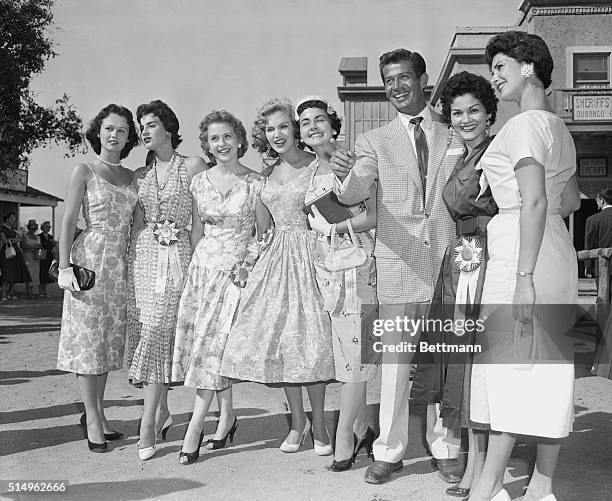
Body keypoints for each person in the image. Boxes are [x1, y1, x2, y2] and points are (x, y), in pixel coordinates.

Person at [330, 49, 467, 484]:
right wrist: (343, 171)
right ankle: (388, 451)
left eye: (404, 77)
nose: (396, 86)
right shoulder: (373, 140)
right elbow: (353, 194)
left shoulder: (454, 134)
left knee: (443, 361)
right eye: (389, 79)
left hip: (448, 263)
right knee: (394, 367)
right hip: (397, 267)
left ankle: (446, 445)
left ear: (423, 79)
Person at [467, 31, 580, 501]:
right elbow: (567, 200)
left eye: (500, 67)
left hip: (523, 251)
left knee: (513, 368)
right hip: (553, 245)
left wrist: (523, 277)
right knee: (547, 368)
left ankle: (489, 485)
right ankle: (541, 486)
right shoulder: (559, 127)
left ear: (527, 66)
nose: (493, 78)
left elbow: (532, 200)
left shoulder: (523, 125)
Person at [220, 98, 335, 456]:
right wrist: (247, 265)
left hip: (311, 257)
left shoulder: (318, 167)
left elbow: (331, 215)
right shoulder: (265, 176)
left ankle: (319, 423)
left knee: (311, 343)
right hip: (275, 262)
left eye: (284, 126)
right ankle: (298, 423)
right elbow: (263, 229)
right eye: (270, 129)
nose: (277, 134)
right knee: (285, 343)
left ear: (296, 129)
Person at [410, 71, 499, 498]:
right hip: (462, 256)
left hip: (481, 254)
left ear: (489, 114)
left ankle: (481, 466)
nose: (465, 119)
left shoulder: (494, 154)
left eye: (474, 111)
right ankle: (471, 460)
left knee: (475, 363)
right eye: (457, 112)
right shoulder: (463, 155)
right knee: (460, 363)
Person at [171, 110, 260, 465]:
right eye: (213, 139)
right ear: (206, 145)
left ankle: (194, 427)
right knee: (210, 345)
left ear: (240, 139)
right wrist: (195, 269)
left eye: (226, 136)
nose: (220, 144)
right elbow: (195, 231)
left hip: (236, 273)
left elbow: (261, 232)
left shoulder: (256, 182)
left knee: (215, 344)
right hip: (203, 271)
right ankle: (227, 418)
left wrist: (246, 266)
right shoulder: (198, 181)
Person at [296, 96, 379, 471]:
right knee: (345, 352)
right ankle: (362, 425)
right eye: (305, 123)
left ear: (333, 124)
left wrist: (336, 226)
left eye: (318, 120)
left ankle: (345, 435)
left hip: (358, 267)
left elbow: (373, 216)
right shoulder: (310, 173)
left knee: (356, 354)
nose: (312, 127)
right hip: (325, 269)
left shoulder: (354, 160)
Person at [126, 100, 206, 461]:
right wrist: (131, 265)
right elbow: (139, 223)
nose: (144, 130)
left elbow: (200, 221)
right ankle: (159, 412)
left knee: (161, 330)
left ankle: (147, 423)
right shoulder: (139, 176)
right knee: (150, 331)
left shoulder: (191, 166)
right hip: (144, 260)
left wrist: (197, 264)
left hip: (178, 260)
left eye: (152, 124)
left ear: (169, 128)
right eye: (142, 125)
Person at [56, 104, 139, 452]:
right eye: (108, 128)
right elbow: (68, 220)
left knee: (105, 344)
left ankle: (101, 414)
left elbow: (137, 225)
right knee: (88, 343)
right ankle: (91, 418)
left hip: (120, 266)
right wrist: (63, 267)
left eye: (121, 130)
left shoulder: (133, 176)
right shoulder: (84, 170)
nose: (114, 135)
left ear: (128, 137)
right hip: (90, 262)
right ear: (98, 131)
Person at [0, 212, 30, 300]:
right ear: (7, 219)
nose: (14, 220)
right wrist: (14, 239)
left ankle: (11, 292)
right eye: (12, 218)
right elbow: (5, 241)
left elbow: (21, 239)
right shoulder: (2, 229)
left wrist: (13, 239)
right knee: (6, 273)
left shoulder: (14, 229)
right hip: (6, 252)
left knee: (14, 272)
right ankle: (4, 294)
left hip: (16, 252)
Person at [584, 188, 612, 279]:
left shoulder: (592, 220)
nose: (596, 203)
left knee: (603, 293)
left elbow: (589, 245)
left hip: (600, 267)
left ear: (602, 200)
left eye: (597, 200)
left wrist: (588, 267)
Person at [21, 219, 43, 299]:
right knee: (29, 275)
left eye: (34, 228)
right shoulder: (25, 236)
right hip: (28, 257)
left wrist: (38, 248)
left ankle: (32, 293)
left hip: (36, 258)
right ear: (28, 228)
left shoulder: (38, 237)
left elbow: (41, 247)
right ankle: (29, 294)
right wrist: (33, 247)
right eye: (31, 228)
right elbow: (23, 246)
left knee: (35, 275)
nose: (33, 230)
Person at [39, 221, 56, 297]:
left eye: (49, 227)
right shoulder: (39, 236)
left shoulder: (50, 237)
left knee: (46, 275)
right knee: (41, 274)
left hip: (49, 258)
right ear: (42, 227)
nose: (48, 228)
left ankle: (44, 291)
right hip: (42, 258)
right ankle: (41, 292)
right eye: (47, 227)